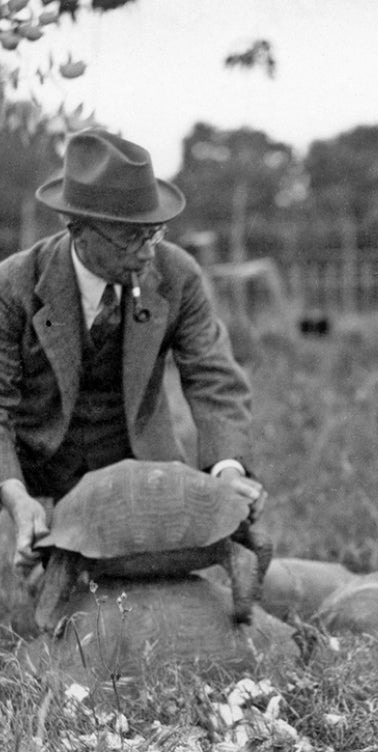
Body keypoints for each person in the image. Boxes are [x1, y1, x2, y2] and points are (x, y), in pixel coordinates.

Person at [0, 128, 267, 576]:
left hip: (138, 451)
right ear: (77, 230)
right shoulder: (14, 286)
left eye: (155, 232)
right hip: (39, 458)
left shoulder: (177, 275)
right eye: (130, 237)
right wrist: (15, 496)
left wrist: (227, 469)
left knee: (177, 578)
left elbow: (213, 377)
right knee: (57, 591)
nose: (147, 252)